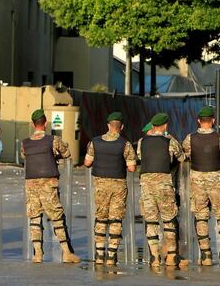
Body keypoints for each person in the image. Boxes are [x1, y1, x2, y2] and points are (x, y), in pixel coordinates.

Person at [22, 109, 80, 264]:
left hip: (31, 184)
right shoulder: (53, 140)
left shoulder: (25, 143)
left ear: (33, 124)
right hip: (48, 183)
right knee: (57, 218)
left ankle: (38, 254)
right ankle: (67, 253)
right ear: (45, 123)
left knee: (35, 218)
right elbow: (67, 154)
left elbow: (24, 156)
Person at [83, 111, 137, 265]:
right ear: (122, 127)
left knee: (101, 218)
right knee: (115, 219)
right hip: (119, 185)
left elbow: (87, 163)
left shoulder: (95, 142)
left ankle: (99, 254)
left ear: (108, 125)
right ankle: (112, 255)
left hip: (100, 185)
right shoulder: (125, 144)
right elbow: (132, 168)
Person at [182, 106, 220, 266]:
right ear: (213, 121)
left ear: (198, 121)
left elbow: (186, 156)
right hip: (217, 181)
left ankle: (206, 255)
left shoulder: (189, 138)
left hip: (197, 181)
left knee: (201, 216)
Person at [137, 112, 188, 269]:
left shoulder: (141, 141)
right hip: (164, 185)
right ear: (165, 126)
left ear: (152, 126)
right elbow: (181, 158)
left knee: (151, 221)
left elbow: (140, 157)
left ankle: (154, 257)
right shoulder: (170, 141)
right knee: (168, 220)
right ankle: (171, 256)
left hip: (146, 186)